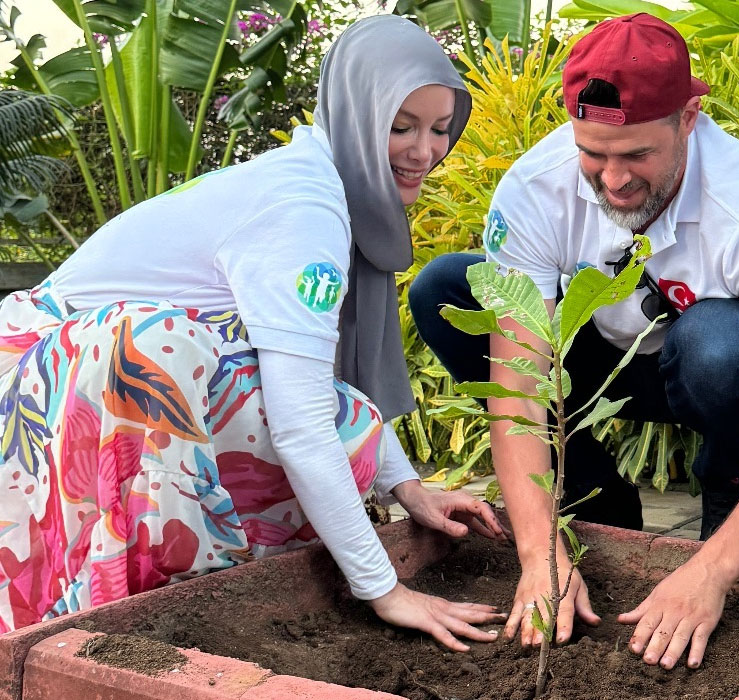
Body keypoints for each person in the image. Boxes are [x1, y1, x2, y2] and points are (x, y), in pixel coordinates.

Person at [0, 15, 508, 650]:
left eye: (441, 129)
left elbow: (321, 385)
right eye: (400, 126)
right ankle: (145, 610)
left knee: (346, 419)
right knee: (301, 411)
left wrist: (407, 489)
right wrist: (385, 589)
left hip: (79, 374)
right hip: (41, 377)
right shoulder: (305, 212)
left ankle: (221, 587)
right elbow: (301, 424)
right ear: (353, 114)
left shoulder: (323, 180)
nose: (424, 151)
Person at [409, 13, 739, 670]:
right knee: (445, 286)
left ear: (689, 117)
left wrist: (710, 573)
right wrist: (538, 551)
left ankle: (724, 507)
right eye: (593, 154)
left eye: (637, 155)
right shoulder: (533, 189)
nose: (612, 180)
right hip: (592, 363)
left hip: (696, 371)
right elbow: (519, 390)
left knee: (718, 346)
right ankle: (596, 493)